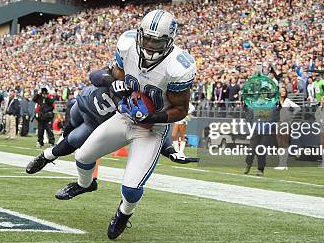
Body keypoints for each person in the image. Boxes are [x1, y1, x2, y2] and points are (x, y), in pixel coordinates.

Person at [54, 9, 196, 240]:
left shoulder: (178, 67)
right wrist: (116, 90)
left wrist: (151, 118)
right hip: (126, 116)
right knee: (83, 156)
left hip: (152, 129)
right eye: (147, 38)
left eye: (156, 41)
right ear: (140, 34)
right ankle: (85, 184)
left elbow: (179, 110)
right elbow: (114, 76)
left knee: (130, 188)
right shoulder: (128, 44)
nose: (149, 45)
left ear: (169, 41)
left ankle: (123, 213)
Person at [26, 68, 198, 173]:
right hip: (83, 102)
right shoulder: (125, 70)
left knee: (74, 141)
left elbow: (157, 128)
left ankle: (46, 157)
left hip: (95, 122)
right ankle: (60, 140)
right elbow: (95, 75)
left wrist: (169, 151)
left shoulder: (151, 99)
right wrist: (111, 81)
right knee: (69, 127)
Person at [274, 86, 300, 170]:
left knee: (285, 143)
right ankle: (281, 163)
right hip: (278, 123)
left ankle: (284, 164)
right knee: (279, 144)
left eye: (283, 91)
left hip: (285, 123)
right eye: (281, 91)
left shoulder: (287, 101)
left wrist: (292, 116)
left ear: (286, 93)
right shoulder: (276, 101)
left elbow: (298, 108)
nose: (282, 92)